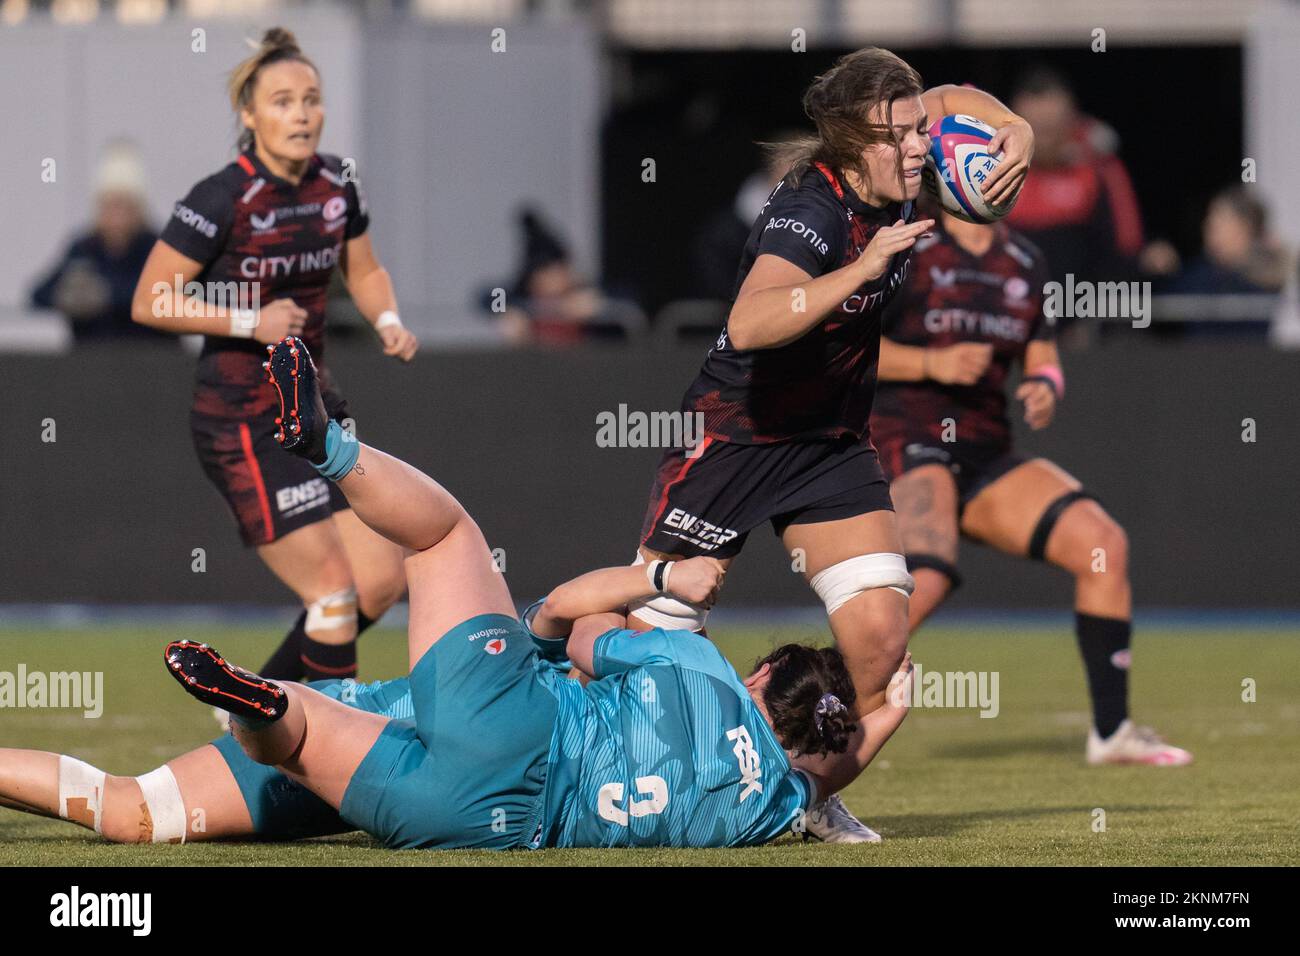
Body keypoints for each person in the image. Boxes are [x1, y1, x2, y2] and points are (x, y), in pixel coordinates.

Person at [0, 337, 917, 850]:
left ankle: (329, 448)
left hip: (495, 719)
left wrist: (663, 580)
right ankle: (265, 709)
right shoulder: (761, 813)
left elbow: (566, 617)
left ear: (760, 678)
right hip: (475, 818)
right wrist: (874, 726)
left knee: (442, 535)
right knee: (212, 780)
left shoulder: (698, 668)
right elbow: (813, 779)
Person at [628, 47, 1034, 841]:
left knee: (882, 647)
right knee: (648, 657)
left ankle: (805, 796)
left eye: (922, 130)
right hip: (737, 437)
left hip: (829, 445)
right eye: (901, 135)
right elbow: (749, 322)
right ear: (851, 144)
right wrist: (866, 265)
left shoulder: (901, 158)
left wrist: (1013, 127)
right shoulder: (811, 212)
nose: (921, 145)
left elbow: (954, 96)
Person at [130, 28, 419, 688]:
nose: (301, 114)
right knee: (333, 591)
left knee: (377, 583)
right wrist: (247, 321)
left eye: (311, 100)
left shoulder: (338, 182)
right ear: (250, 115)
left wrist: (389, 320)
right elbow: (150, 300)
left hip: (314, 407)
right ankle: (321, 759)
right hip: (242, 418)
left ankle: (247, 709)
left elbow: (365, 268)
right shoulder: (221, 196)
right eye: (283, 101)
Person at [871, 206, 1191, 766]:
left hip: (985, 451)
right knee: (927, 574)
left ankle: (1111, 733)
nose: (1005, 171)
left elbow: (1040, 349)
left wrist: (1046, 382)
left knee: (1101, 545)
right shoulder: (907, 246)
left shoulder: (1024, 259)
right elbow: (842, 351)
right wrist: (931, 364)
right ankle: (815, 707)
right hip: (905, 436)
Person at [30, 141, 163, 343]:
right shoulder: (83, 249)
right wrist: (66, 296)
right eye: (109, 206)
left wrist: (106, 295)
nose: (116, 216)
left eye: (123, 206)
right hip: (91, 364)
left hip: (151, 360)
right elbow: (38, 295)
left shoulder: (157, 248)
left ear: (138, 209)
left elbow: (173, 294)